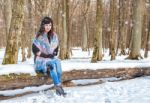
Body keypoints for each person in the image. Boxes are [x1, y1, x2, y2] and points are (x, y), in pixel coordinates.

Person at [32, 16, 66, 96]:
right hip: (40, 59)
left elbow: (56, 49)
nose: (48, 27)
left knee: (57, 62)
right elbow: (35, 51)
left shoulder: (54, 36)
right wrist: (47, 56)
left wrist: (53, 54)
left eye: (50, 25)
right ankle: (58, 87)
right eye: (46, 25)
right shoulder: (39, 36)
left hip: (50, 57)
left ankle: (58, 86)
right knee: (52, 65)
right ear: (43, 25)